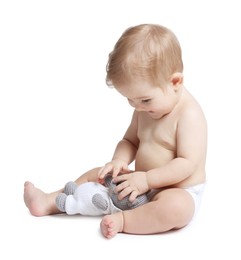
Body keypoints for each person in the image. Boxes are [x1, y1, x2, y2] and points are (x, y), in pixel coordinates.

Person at [24, 23, 207, 239]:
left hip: (174, 190)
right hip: (137, 183)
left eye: (144, 99)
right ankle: (50, 202)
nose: (137, 107)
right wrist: (118, 161)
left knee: (177, 208)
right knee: (98, 173)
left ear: (175, 81)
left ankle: (124, 221)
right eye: (130, 99)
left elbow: (187, 164)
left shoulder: (189, 115)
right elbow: (130, 141)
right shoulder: (146, 108)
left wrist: (147, 181)